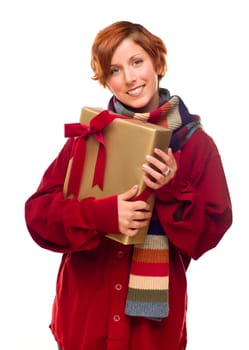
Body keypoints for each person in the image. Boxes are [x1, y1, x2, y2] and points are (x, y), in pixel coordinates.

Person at [24, 21, 233, 350]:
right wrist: (102, 216)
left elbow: (210, 231)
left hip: (151, 333)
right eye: (115, 70)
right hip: (85, 319)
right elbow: (38, 216)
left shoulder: (195, 144)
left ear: (157, 62)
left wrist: (172, 187)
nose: (131, 79)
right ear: (106, 81)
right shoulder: (90, 135)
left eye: (137, 62)